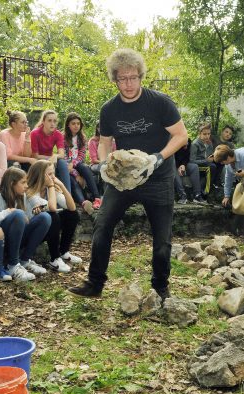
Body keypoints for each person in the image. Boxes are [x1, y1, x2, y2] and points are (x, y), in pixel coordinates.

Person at [68, 49, 188, 299]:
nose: (128, 83)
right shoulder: (109, 109)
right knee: (102, 224)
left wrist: (158, 157)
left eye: (133, 77)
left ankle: (160, 287)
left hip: (158, 175)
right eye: (122, 78)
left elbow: (181, 135)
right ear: (115, 79)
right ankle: (95, 282)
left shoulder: (160, 102)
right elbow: (104, 141)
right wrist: (102, 163)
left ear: (141, 76)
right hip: (124, 179)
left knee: (162, 235)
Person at [0, 167, 50, 281]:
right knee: (17, 214)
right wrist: (8, 211)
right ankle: (13, 265)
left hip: (17, 236)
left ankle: (24, 261)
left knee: (45, 217)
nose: (26, 186)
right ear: (12, 183)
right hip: (2, 238)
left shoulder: (21, 195)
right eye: (23, 182)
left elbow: (29, 217)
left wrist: (36, 210)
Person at [26, 160, 80, 273]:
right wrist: (51, 186)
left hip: (47, 228)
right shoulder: (30, 192)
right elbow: (52, 208)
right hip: (32, 232)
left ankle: (64, 252)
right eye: (49, 174)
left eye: (53, 173)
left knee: (72, 215)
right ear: (40, 175)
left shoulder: (49, 188)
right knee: (53, 215)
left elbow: (72, 207)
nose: (53, 177)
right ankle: (54, 258)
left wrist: (62, 186)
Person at [64, 112, 102, 212]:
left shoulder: (82, 138)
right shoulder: (62, 138)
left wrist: (73, 164)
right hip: (65, 166)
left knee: (85, 167)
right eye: (73, 123)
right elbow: (63, 156)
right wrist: (76, 174)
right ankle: (84, 203)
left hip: (77, 164)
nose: (76, 126)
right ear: (68, 124)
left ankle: (97, 198)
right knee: (73, 180)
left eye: (78, 123)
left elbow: (81, 156)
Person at [29, 110, 71, 191]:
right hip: (37, 162)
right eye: (49, 120)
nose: (52, 124)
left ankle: (68, 195)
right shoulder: (35, 133)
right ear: (43, 122)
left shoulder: (58, 134)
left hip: (50, 161)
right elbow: (35, 156)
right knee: (59, 162)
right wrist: (50, 158)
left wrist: (55, 156)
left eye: (55, 121)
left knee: (62, 162)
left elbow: (61, 154)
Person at [190, 123, 219, 194]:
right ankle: (205, 192)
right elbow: (192, 161)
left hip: (207, 164)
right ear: (199, 134)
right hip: (197, 166)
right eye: (204, 134)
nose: (207, 136)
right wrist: (206, 160)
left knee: (218, 165)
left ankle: (213, 187)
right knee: (211, 167)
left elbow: (210, 155)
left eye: (209, 134)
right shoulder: (195, 144)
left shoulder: (209, 143)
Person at [174, 138, 202, 204]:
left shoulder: (188, 140)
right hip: (173, 165)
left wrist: (183, 165)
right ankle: (182, 195)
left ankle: (197, 195)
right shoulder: (173, 142)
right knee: (172, 168)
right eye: (184, 146)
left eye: (187, 145)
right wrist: (178, 166)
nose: (186, 147)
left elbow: (187, 156)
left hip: (182, 164)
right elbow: (171, 158)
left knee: (194, 167)